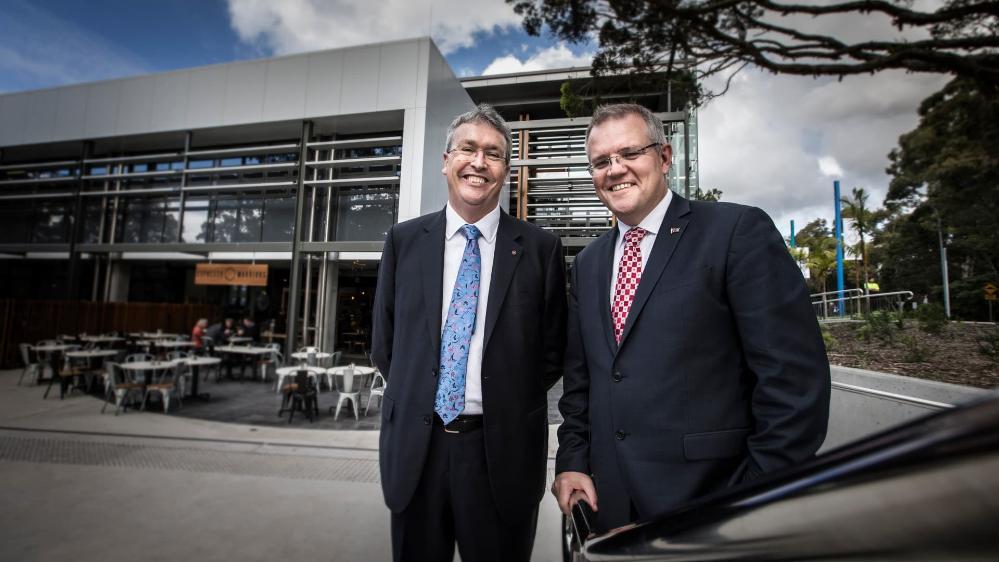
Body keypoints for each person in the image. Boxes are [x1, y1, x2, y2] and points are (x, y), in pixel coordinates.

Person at [552, 103, 830, 532]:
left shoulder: (735, 232)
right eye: (601, 161)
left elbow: (793, 383)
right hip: (610, 503)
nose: (615, 169)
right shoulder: (588, 263)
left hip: (715, 503)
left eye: (630, 153)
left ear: (664, 157)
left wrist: (754, 495)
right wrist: (571, 461)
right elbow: (581, 382)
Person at [371, 104, 567, 562]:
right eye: (468, 149)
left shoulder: (541, 249)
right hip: (418, 451)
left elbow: (553, 351)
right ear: (446, 160)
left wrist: (506, 397)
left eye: (494, 154)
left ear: (506, 170)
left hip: (501, 454)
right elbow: (385, 344)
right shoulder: (403, 241)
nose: (479, 162)